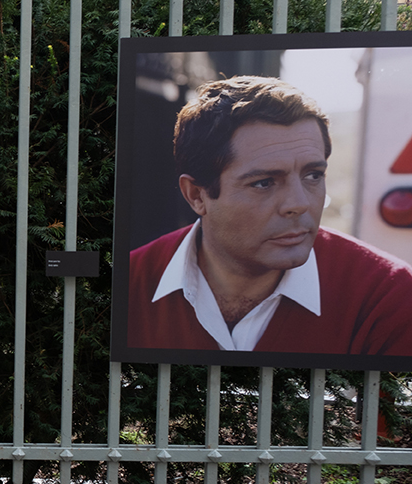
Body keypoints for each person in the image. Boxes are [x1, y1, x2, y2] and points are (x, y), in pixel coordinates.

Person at [128, 76, 412, 355]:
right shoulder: (127, 283)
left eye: (313, 175)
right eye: (264, 183)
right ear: (196, 195)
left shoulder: (388, 294)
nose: (299, 204)